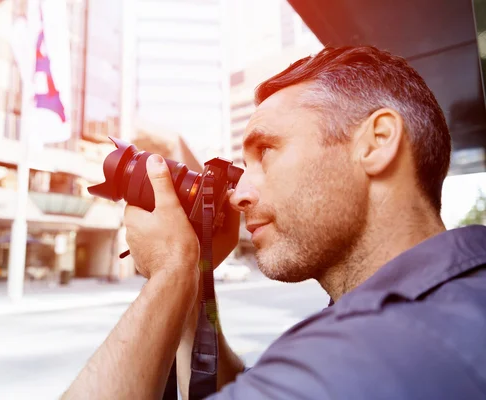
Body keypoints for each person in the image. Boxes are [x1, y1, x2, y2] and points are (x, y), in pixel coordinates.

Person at [62, 46, 486, 399]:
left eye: (265, 151)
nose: (240, 193)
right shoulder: (452, 298)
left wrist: (170, 272)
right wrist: (195, 277)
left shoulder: (373, 350)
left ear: (376, 144)